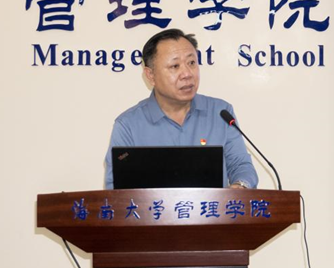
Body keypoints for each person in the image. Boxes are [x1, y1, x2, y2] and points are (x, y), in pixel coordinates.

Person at [104, 29, 258, 190]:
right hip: (152, 208)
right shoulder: (128, 125)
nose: (187, 74)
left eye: (191, 63)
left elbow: (241, 166)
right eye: (175, 66)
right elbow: (115, 190)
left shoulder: (221, 113)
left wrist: (240, 186)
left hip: (213, 207)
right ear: (150, 75)